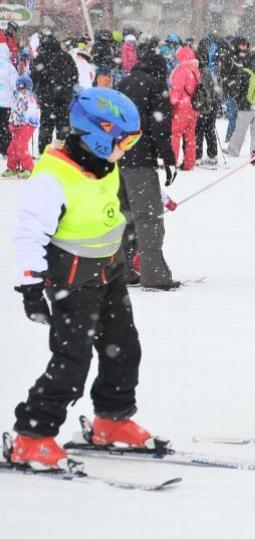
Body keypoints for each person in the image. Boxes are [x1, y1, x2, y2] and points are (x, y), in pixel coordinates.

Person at [9, 87, 153, 470]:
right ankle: (32, 435)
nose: (128, 149)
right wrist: (30, 287)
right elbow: (29, 234)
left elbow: (106, 204)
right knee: (72, 361)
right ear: (98, 135)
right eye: (126, 141)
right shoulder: (53, 178)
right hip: (72, 282)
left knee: (124, 348)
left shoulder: (104, 162)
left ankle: (112, 419)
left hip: (110, 272)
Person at [116, 50, 180, 290]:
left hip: (116, 159)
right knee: (149, 217)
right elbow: (160, 127)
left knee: (124, 216)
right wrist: (169, 159)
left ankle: (124, 270)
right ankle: (154, 275)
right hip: (140, 162)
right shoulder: (155, 86)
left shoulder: (121, 84)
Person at [32, 35, 78, 154]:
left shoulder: (41, 58)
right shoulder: (67, 57)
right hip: (65, 98)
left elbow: (34, 77)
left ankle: (43, 153)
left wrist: (38, 90)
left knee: (46, 128)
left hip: (47, 99)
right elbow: (75, 76)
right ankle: (63, 153)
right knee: (63, 128)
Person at [225, 48, 255, 157]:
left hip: (246, 106)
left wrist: (240, 100)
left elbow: (237, 90)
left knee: (240, 129)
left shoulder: (244, 73)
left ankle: (233, 150)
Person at [169, 45, 201, 170]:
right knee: (190, 136)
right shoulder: (195, 70)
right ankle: (189, 163)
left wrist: (171, 103)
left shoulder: (182, 70)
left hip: (182, 106)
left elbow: (177, 89)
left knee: (175, 134)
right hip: (193, 106)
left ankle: (172, 162)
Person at [3, 76, 39, 178]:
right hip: (22, 125)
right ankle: (12, 167)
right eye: (20, 88)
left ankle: (29, 168)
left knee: (20, 146)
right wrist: (14, 123)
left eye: (24, 88)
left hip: (25, 125)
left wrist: (13, 123)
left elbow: (18, 112)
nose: (22, 91)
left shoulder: (23, 97)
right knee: (13, 146)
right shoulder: (24, 97)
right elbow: (16, 111)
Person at [0, 43, 17, 157]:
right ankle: (5, 149)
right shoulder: (9, 67)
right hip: (6, 102)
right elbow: (15, 85)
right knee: (5, 127)